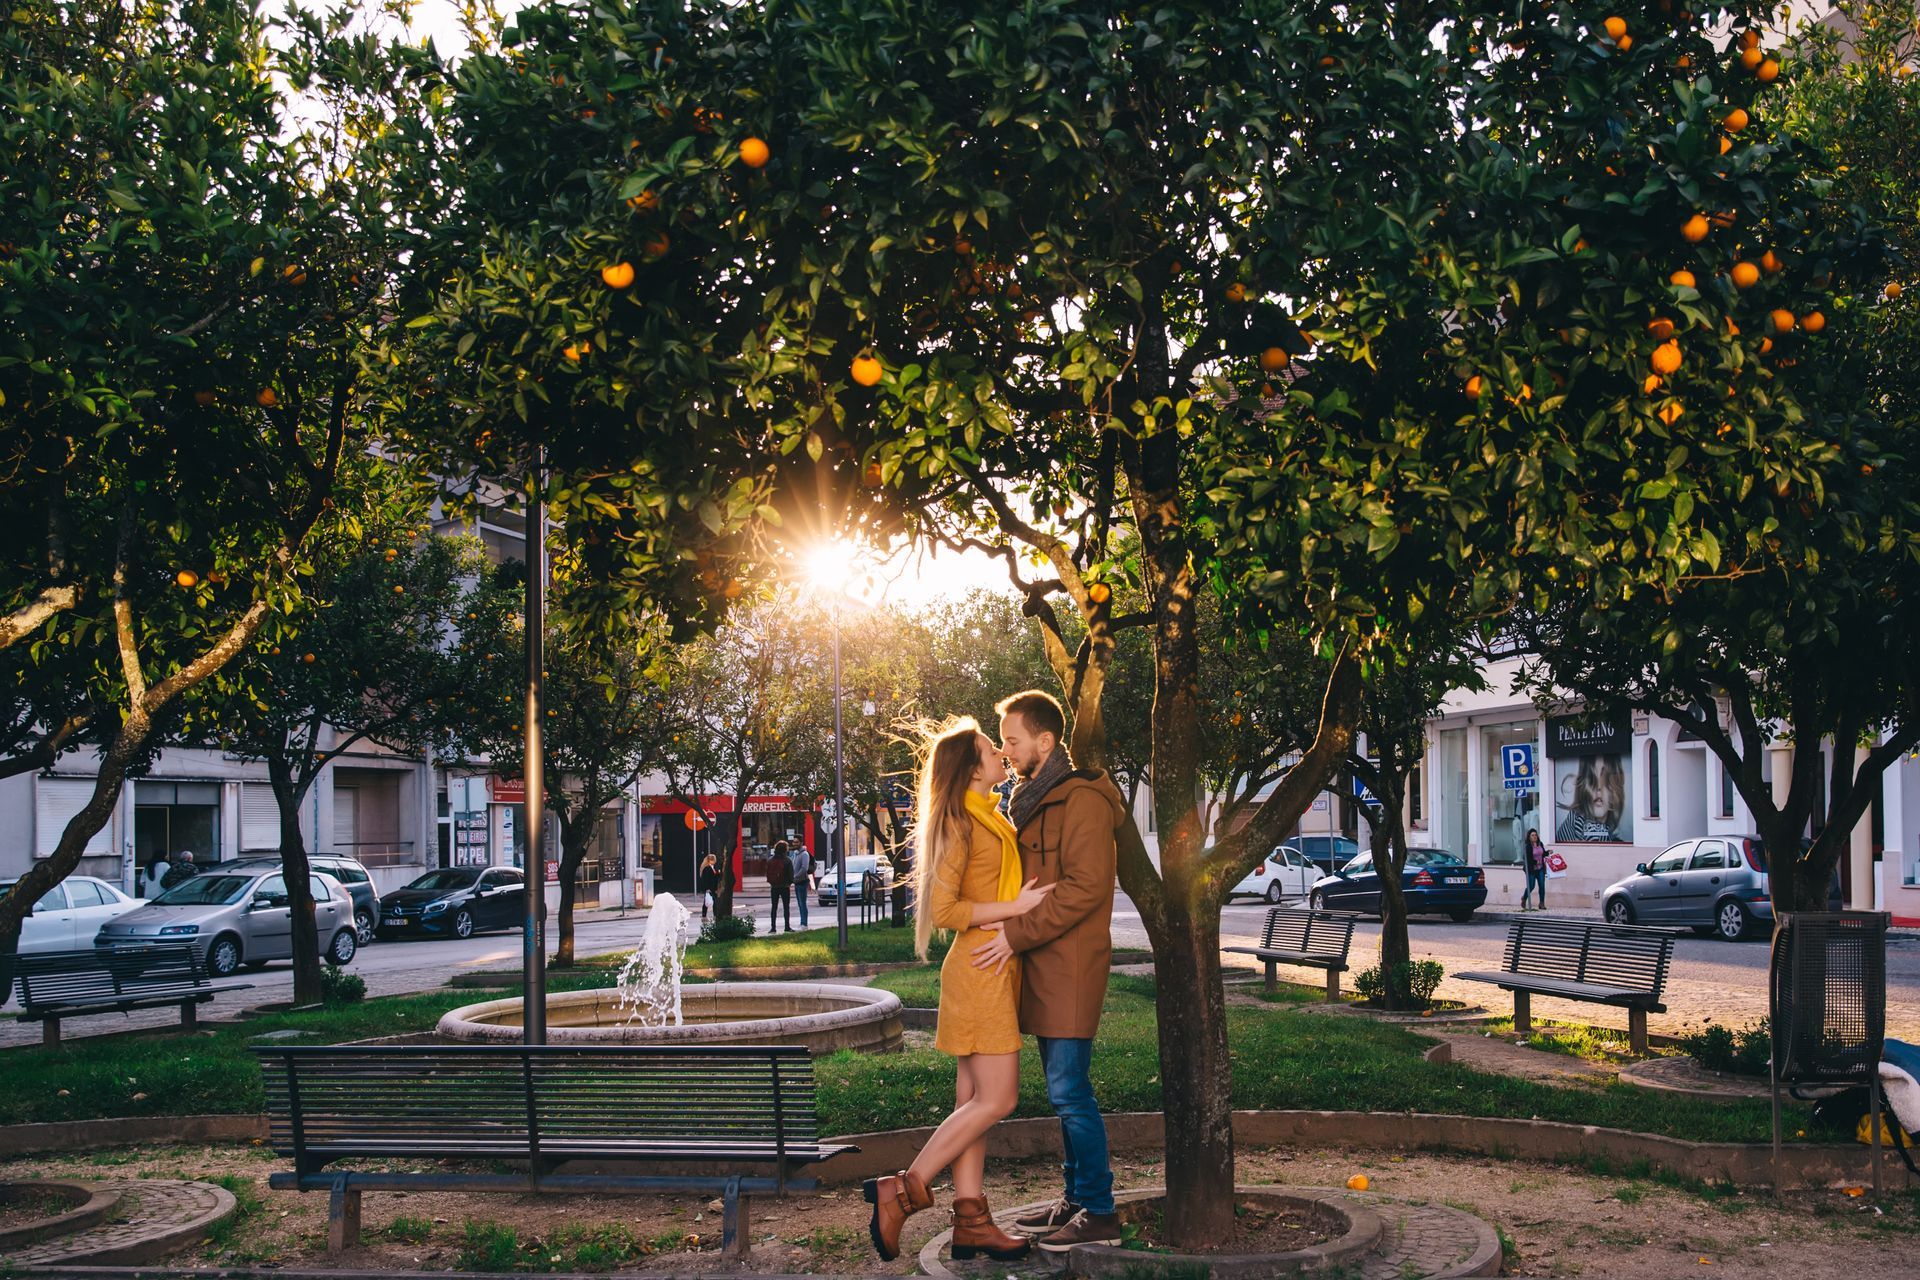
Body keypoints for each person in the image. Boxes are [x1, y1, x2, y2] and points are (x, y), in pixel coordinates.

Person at [863, 717, 1051, 1263]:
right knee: (999, 1098)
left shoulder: (986, 816)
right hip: (979, 971)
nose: (1000, 754)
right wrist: (1014, 909)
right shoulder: (961, 825)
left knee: (972, 1101)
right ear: (972, 768)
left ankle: (971, 1222)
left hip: (989, 968)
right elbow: (946, 911)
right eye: (992, 749)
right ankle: (901, 1190)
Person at [970, 689, 1128, 1253]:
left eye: (1012, 741)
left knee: (1069, 1092)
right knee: (1064, 1092)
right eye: (1004, 742)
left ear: (1046, 740)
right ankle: (1079, 1197)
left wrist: (1014, 934)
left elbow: (1085, 890)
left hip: (1072, 966)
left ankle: (1102, 1211)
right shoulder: (1032, 798)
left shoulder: (1080, 799)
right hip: (1045, 967)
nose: (1007, 751)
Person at [766, 839, 795, 932]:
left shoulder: (770, 860)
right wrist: (790, 882)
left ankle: (773, 927)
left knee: (774, 907)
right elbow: (791, 875)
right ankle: (787, 926)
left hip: (774, 887)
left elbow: (767, 873)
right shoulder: (787, 861)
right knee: (786, 907)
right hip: (785, 887)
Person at [1521, 828, 1551, 911]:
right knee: (1531, 886)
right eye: (1532, 835)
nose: (1534, 837)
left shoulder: (1540, 844)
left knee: (1542, 885)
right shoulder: (1528, 846)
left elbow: (1543, 853)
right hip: (1531, 869)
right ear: (1529, 837)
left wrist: (1548, 852)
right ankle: (1524, 898)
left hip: (1540, 868)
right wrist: (1536, 861)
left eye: (1535, 835)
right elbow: (1527, 858)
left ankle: (1542, 903)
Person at [788, 839, 813, 929]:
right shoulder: (795, 854)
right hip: (796, 881)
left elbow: (804, 868)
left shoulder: (804, 854)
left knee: (802, 903)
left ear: (801, 843)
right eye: (794, 842)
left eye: (797, 842)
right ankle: (802, 922)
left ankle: (804, 923)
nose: (794, 844)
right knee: (799, 903)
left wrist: (796, 877)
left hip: (802, 881)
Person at [696, 853, 720, 921]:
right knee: (714, 902)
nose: (715, 861)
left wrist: (717, 873)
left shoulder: (711, 867)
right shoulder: (707, 868)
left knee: (707, 901)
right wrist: (707, 888)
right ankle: (714, 915)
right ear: (710, 860)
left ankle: (704, 916)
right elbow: (706, 879)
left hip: (712, 887)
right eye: (714, 860)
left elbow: (713, 877)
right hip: (710, 888)